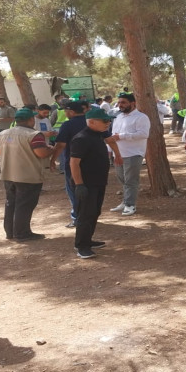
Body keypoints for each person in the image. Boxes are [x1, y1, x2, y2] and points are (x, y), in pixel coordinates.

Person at [0, 108, 53, 241]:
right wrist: (51, 149)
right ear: (31, 120)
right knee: (25, 205)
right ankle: (22, 233)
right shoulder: (34, 135)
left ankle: (10, 232)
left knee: (11, 203)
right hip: (28, 175)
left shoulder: (3, 133)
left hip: (8, 174)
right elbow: (41, 153)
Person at [71, 108, 116, 258]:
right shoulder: (81, 138)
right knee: (85, 214)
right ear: (91, 122)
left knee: (94, 212)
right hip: (86, 184)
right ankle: (81, 246)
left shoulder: (98, 135)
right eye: (104, 121)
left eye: (108, 120)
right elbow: (74, 163)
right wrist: (79, 185)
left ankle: (87, 240)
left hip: (98, 182)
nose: (108, 123)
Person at [106, 93, 151, 216]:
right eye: (119, 102)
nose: (120, 105)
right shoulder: (118, 117)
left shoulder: (141, 117)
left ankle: (130, 205)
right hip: (118, 154)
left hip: (133, 153)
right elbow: (113, 135)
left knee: (131, 180)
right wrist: (110, 149)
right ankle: (125, 201)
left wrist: (122, 136)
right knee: (122, 179)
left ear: (132, 103)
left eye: (123, 102)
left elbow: (143, 134)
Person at [51, 101, 89, 227]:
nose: (65, 113)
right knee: (90, 189)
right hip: (91, 162)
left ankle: (77, 217)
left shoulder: (68, 125)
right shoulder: (91, 122)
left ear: (71, 112)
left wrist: (53, 159)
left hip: (72, 163)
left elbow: (60, 144)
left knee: (74, 190)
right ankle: (88, 216)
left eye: (66, 111)